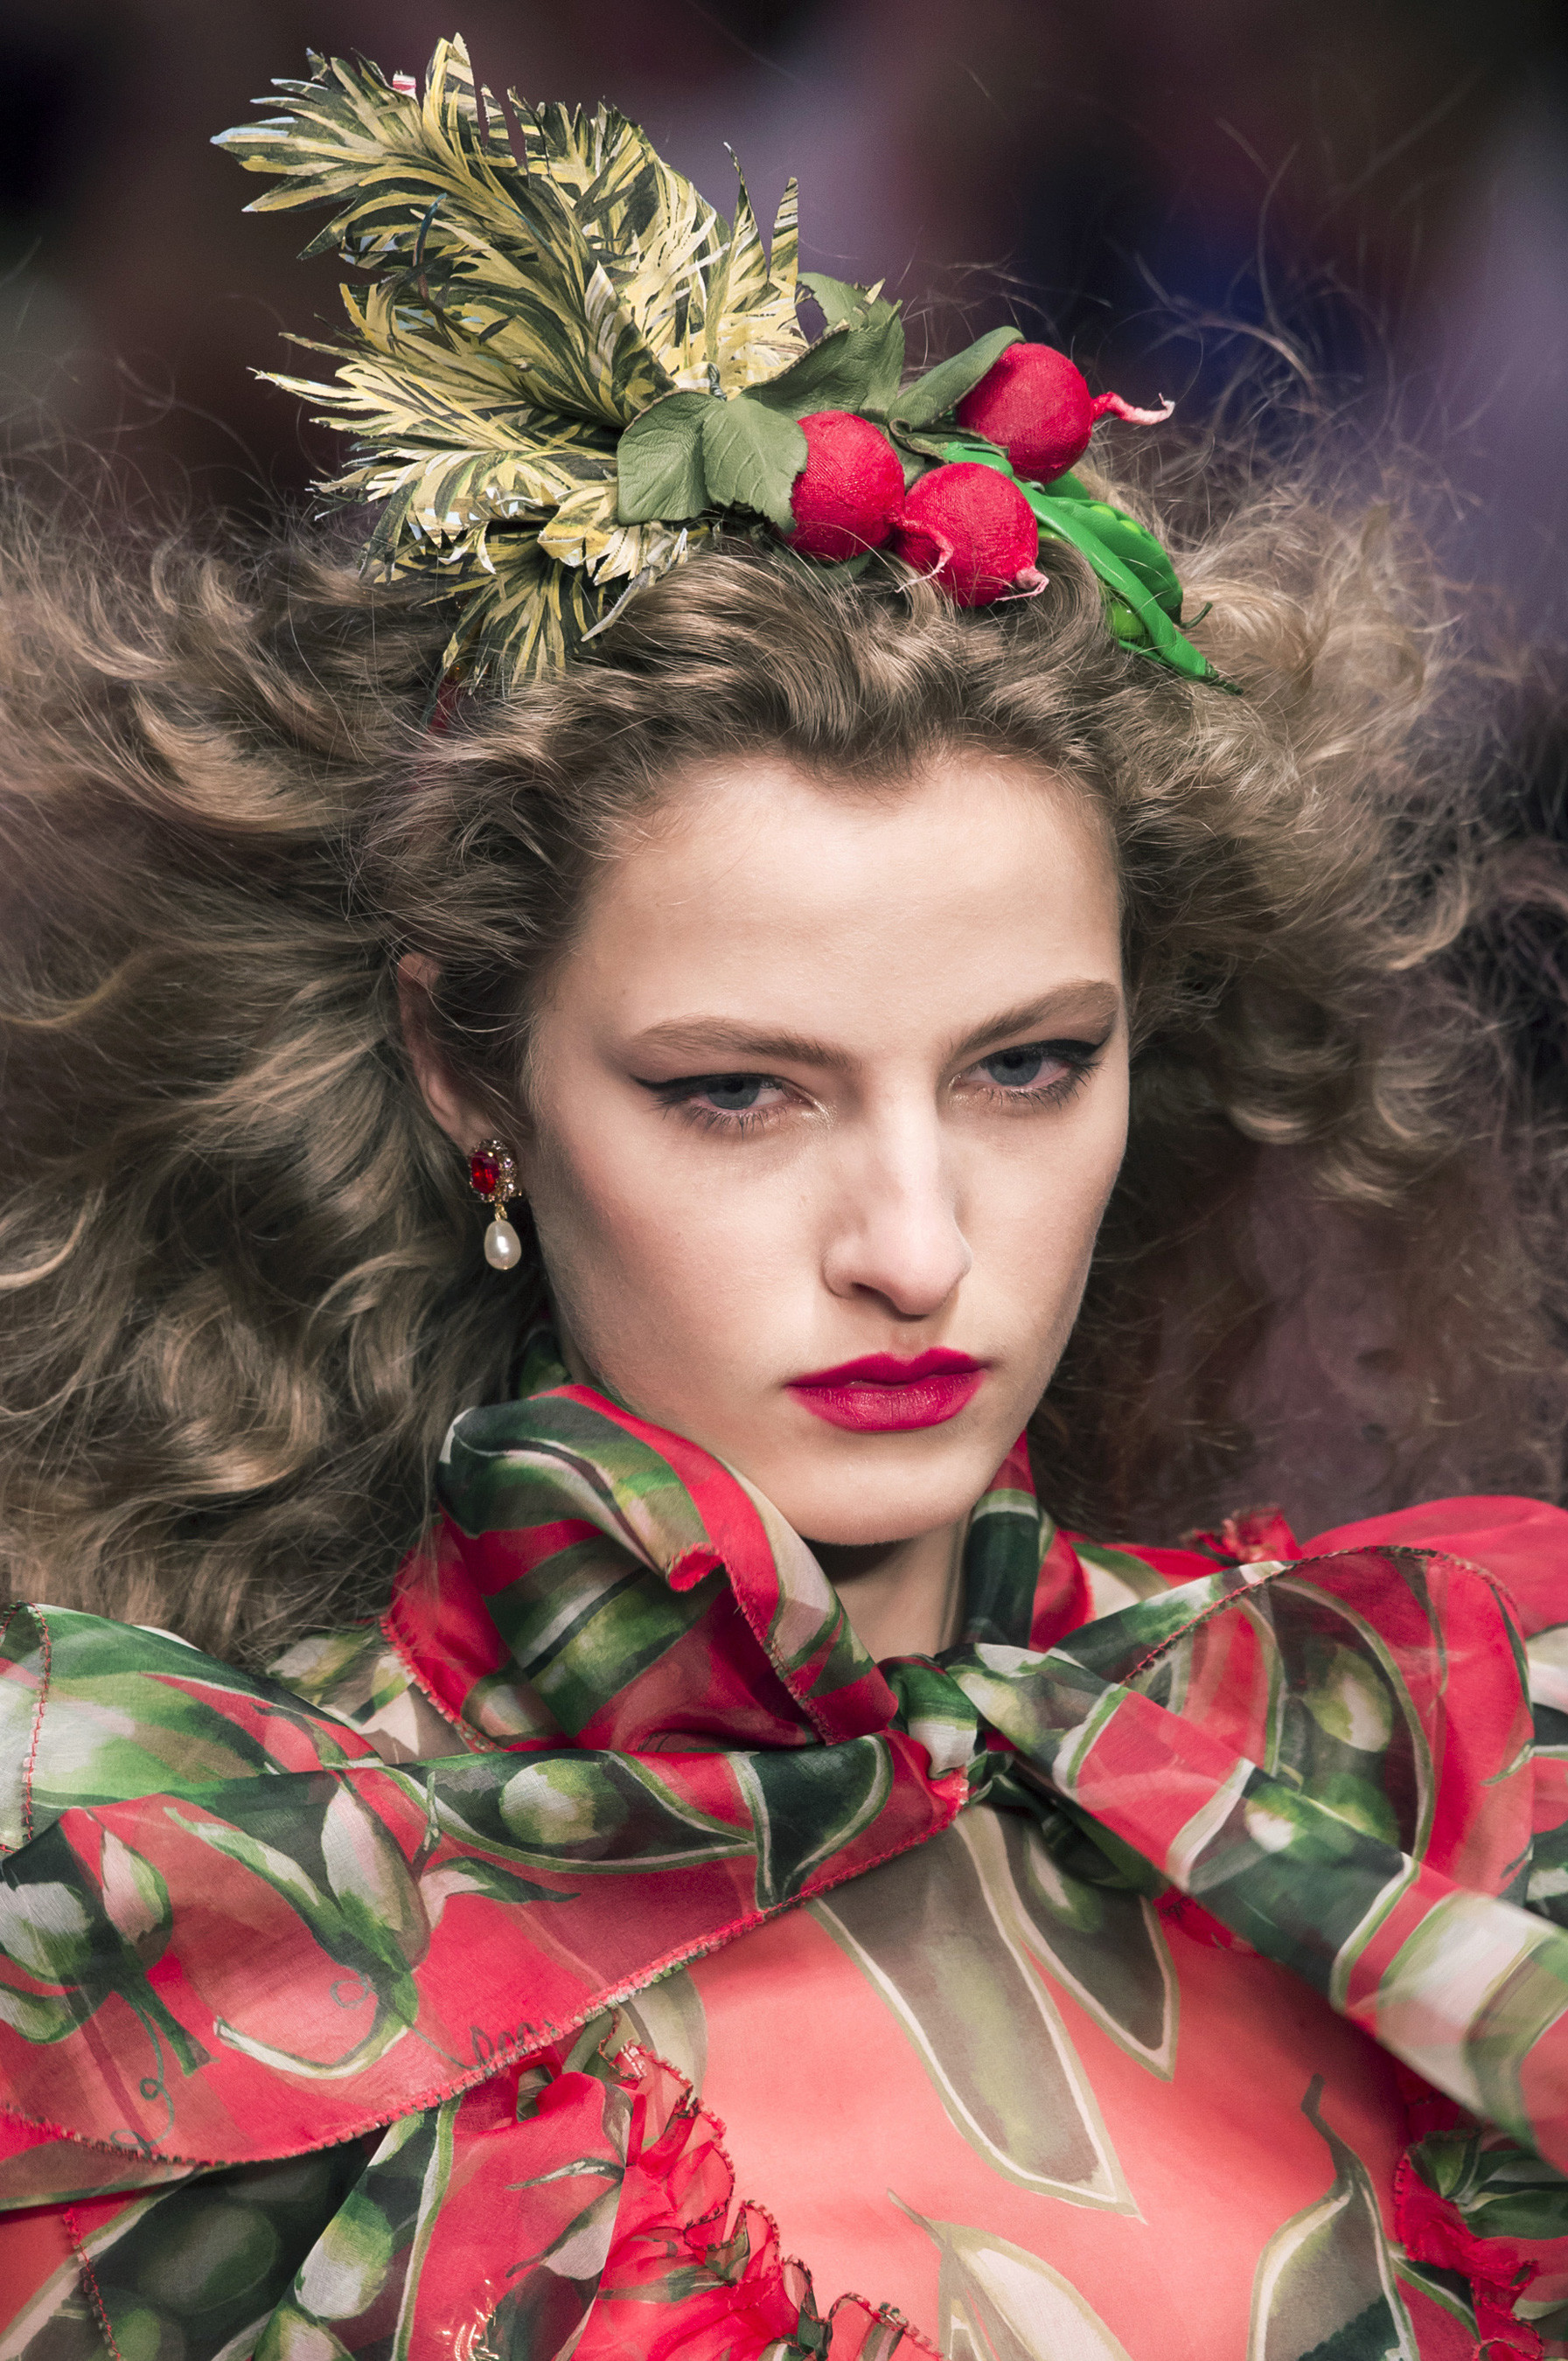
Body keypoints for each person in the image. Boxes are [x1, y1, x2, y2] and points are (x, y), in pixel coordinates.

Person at [3, 32, 1568, 2361]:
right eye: (738, 1093)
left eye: (1026, 1066)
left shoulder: (1437, 1764)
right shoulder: (176, 1934)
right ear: (467, 1069)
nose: (916, 1245)